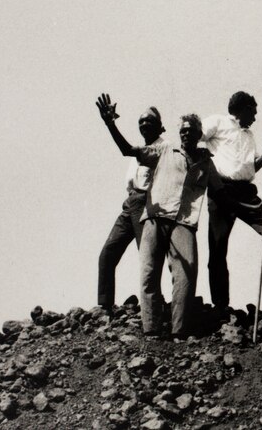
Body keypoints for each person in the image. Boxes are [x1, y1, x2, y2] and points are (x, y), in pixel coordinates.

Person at [95, 93, 224, 337]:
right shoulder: (165, 150)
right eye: (183, 130)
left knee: (185, 275)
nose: (185, 134)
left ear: (199, 135)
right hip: (154, 215)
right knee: (148, 272)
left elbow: (221, 191)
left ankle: (178, 330)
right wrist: (110, 123)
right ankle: (151, 329)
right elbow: (127, 150)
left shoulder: (205, 161)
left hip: (183, 221)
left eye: (191, 131)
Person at [201, 91, 262, 310]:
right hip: (221, 190)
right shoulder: (218, 122)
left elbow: (249, 168)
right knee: (217, 247)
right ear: (242, 108)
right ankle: (221, 304)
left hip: (245, 191)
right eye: (252, 112)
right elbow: (195, 137)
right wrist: (206, 168)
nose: (254, 117)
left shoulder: (249, 135)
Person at [97, 106, 164, 311]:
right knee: (107, 254)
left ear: (160, 127)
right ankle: (105, 305)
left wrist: (110, 124)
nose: (144, 124)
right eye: (141, 121)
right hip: (129, 204)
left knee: (148, 259)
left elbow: (126, 150)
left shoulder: (161, 148)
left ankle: (154, 307)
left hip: (146, 203)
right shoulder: (141, 149)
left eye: (149, 121)